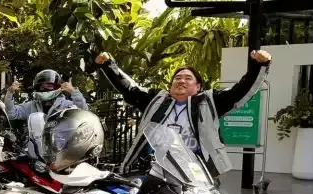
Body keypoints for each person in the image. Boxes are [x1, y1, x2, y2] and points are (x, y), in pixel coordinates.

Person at [94, 50, 272, 179]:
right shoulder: (156, 100)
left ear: (198, 87)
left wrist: (260, 65)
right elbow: (129, 89)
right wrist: (109, 65)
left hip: (195, 171)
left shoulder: (209, 102)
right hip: (152, 169)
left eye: (188, 78)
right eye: (177, 78)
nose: (181, 80)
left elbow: (240, 91)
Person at [5, 69, 87, 164]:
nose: (45, 88)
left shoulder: (66, 105)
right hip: (36, 153)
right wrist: (10, 92)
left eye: (49, 85)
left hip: (62, 152)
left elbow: (84, 113)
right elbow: (12, 113)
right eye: (42, 85)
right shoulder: (31, 105)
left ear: (56, 86)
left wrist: (73, 91)